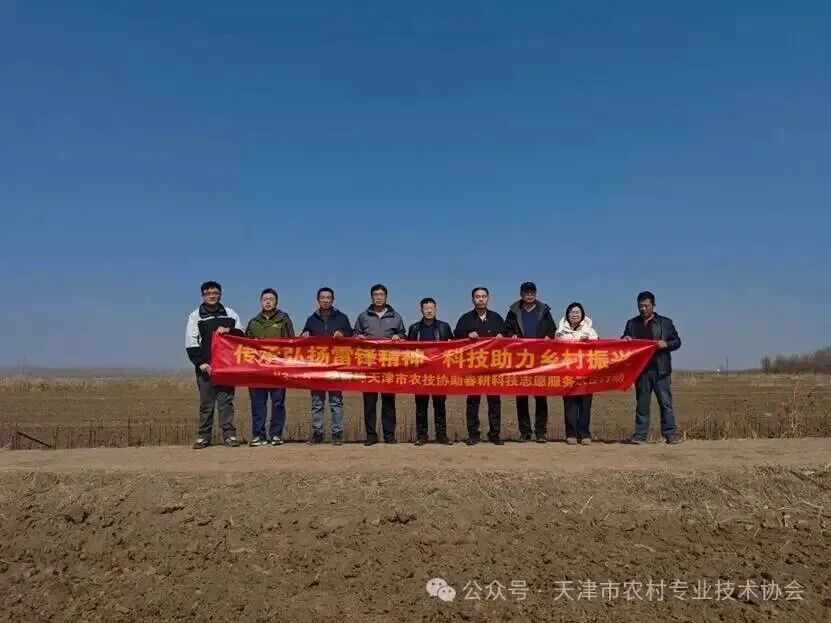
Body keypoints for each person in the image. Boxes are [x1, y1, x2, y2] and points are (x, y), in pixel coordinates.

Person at [185, 281, 245, 449]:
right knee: (207, 404)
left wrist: (228, 330)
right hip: (206, 368)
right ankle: (203, 437)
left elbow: (242, 335)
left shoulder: (230, 313)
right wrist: (201, 363)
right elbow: (191, 342)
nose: (212, 296)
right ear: (202, 296)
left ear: (220, 295)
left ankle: (229, 436)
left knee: (226, 403)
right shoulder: (195, 316)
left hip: (226, 367)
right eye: (208, 293)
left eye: (215, 293)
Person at [622, 291, 682, 444]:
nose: (643, 309)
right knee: (642, 404)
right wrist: (625, 339)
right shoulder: (632, 323)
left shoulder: (665, 323)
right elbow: (624, 340)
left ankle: (670, 434)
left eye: (646, 306)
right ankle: (640, 436)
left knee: (665, 403)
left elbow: (677, 342)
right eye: (640, 306)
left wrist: (666, 344)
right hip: (641, 370)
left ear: (653, 305)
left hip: (661, 369)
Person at [503, 281, 556, 443]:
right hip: (521, 360)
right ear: (521, 294)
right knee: (521, 397)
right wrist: (511, 335)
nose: (529, 294)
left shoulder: (544, 311)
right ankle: (525, 432)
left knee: (541, 397)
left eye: (532, 292)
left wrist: (548, 337)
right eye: (526, 292)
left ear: (536, 293)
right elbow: (506, 329)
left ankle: (541, 432)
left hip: (540, 359)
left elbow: (552, 329)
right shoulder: (514, 311)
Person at [353, 284, 406, 445]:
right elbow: (355, 335)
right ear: (371, 297)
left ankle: (389, 435)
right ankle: (371, 436)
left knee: (388, 402)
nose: (378, 297)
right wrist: (358, 338)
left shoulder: (395, 316)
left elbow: (403, 335)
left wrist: (399, 337)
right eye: (376, 295)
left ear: (386, 297)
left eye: (381, 295)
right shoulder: (363, 316)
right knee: (369, 402)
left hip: (388, 365)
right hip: (369, 366)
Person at [300, 287, 353, 445]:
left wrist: (343, 335)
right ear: (318, 300)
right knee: (317, 402)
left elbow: (352, 336)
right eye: (322, 298)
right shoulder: (311, 319)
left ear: (333, 300)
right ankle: (317, 433)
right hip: (317, 366)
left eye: (328, 298)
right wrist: (305, 334)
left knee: (336, 401)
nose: (325, 300)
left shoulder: (342, 318)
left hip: (336, 366)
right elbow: (304, 337)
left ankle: (337, 434)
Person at [454, 287, 506, 446]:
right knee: (473, 401)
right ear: (472, 299)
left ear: (488, 298)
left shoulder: (496, 318)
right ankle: (473, 434)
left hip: (493, 366)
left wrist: (502, 336)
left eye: (483, 296)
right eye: (477, 296)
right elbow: (456, 336)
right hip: (473, 366)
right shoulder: (465, 319)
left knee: (494, 401)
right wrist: (467, 335)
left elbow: (508, 337)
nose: (481, 299)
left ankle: (494, 434)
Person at [244, 288, 295, 447]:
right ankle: (258, 435)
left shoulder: (283, 319)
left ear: (276, 302)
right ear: (261, 302)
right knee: (258, 403)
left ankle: (276, 434)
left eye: (271, 299)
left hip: (277, 369)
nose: (268, 302)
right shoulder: (254, 322)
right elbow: (244, 344)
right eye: (265, 299)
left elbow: (291, 342)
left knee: (278, 403)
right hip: (257, 370)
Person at [407, 297, 454, 445]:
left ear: (436, 309)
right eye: (426, 308)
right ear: (421, 310)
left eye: (431, 308)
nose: (429, 311)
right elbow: (408, 350)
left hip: (439, 372)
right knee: (421, 406)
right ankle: (422, 436)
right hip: (420, 373)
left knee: (440, 405)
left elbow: (453, 346)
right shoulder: (414, 328)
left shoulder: (444, 327)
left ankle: (441, 435)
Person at [555, 302, 599, 445]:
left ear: (582, 315)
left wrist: (587, 342)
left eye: (577, 312)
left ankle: (584, 434)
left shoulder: (590, 331)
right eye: (572, 312)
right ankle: (571, 434)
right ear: (567, 315)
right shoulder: (560, 331)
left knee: (585, 405)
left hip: (586, 374)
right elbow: (557, 348)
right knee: (570, 405)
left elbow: (598, 347)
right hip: (568, 373)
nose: (574, 315)